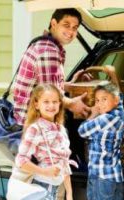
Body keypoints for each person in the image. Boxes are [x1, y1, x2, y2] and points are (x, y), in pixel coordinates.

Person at [11, 8, 91, 155]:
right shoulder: (48, 50)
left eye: (75, 28)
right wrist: (73, 104)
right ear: (53, 23)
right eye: (66, 25)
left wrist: (70, 85)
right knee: (47, 174)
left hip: (32, 121)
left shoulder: (46, 45)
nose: (71, 31)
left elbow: (43, 85)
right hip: (33, 126)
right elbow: (50, 96)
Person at [10, 84, 76, 200]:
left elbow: (64, 163)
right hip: (41, 188)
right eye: (46, 102)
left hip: (57, 189)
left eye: (55, 102)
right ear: (36, 104)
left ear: (60, 103)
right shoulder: (35, 129)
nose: (51, 105)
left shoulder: (61, 129)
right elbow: (21, 160)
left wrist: (69, 194)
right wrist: (45, 172)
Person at [78, 74, 124, 200]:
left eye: (104, 99)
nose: (99, 104)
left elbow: (82, 131)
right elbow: (119, 97)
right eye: (97, 100)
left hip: (100, 177)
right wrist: (112, 74)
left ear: (114, 100)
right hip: (114, 176)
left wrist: (93, 114)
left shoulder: (104, 119)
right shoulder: (120, 114)